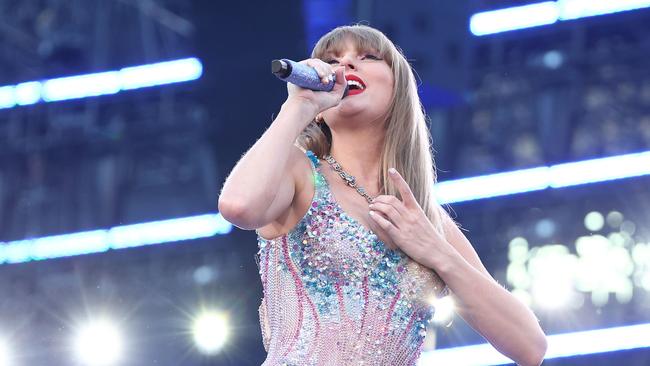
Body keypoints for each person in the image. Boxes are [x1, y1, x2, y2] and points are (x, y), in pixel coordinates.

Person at [218, 24, 547, 366]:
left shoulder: (421, 217)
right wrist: (297, 106)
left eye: (367, 56)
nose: (346, 65)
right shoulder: (299, 171)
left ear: (399, 88)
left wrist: (436, 252)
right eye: (333, 60)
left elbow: (529, 346)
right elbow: (238, 206)